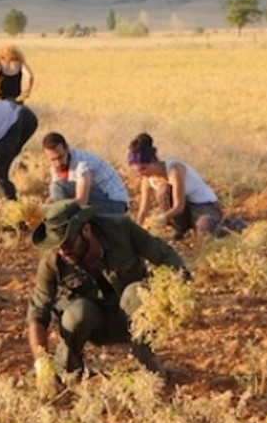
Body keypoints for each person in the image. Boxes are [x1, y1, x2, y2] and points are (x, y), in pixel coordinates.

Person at [27, 199, 189, 380]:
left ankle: (149, 368)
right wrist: (41, 363)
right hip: (94, 324)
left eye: (69, 243)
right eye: (58, 246)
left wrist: (179, 293)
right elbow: (37, 313)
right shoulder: (53, 261)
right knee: (76, 312)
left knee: (137, 292)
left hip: (132, 317)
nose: (64, 251)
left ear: (86, 230)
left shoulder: (122, 229)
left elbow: (165, 256)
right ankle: (68, 371)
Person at [128, 133, 223, 239]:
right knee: (163, 191)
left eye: (144, 168)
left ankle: (229, 225)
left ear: (153, 161)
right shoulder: (147, 179)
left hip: (204, 206)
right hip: (184, 211)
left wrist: (162, 218)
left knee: (205, 231)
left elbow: (179, 206)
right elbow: (143, 210)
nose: (142, 174)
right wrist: (137, 229)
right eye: (138, 171)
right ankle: (181, 228)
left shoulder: (174, 170)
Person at [41, 132, 128, 215]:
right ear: (46, 157)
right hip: (101, 201)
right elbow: (56, 195)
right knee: (56, 189)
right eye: (53, 159)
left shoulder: (82, 163)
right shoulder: (56, 167)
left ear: (67, 148)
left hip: (114, 204)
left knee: (58, 187)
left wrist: (53, 210)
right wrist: (42, 210)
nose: (58, 163)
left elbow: (82, 201)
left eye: (60, 157)